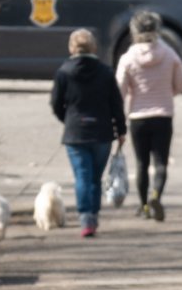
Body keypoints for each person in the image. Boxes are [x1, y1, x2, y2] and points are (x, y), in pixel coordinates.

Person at [50, 29, 127, 238]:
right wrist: (121, 130)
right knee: (95, 177)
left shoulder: (64, 72)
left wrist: (67, 120)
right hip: (102, 132)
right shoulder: (105, 72)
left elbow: (56, 104)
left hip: (75, 133)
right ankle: (93, 215)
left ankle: (86, 218)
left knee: (82, 176)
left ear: (72, 47)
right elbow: (116, 104)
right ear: (94, 47)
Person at [117, 11, 182, 222]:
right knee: (161, 162)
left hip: (138, 116)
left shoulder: (128, 57)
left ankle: (144, 205)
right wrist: (167, 93)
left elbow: (119, 88)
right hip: (163, 114)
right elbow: (181, 84)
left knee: (141, 163)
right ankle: (156, 194)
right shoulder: (169, 54)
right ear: (157, 30)